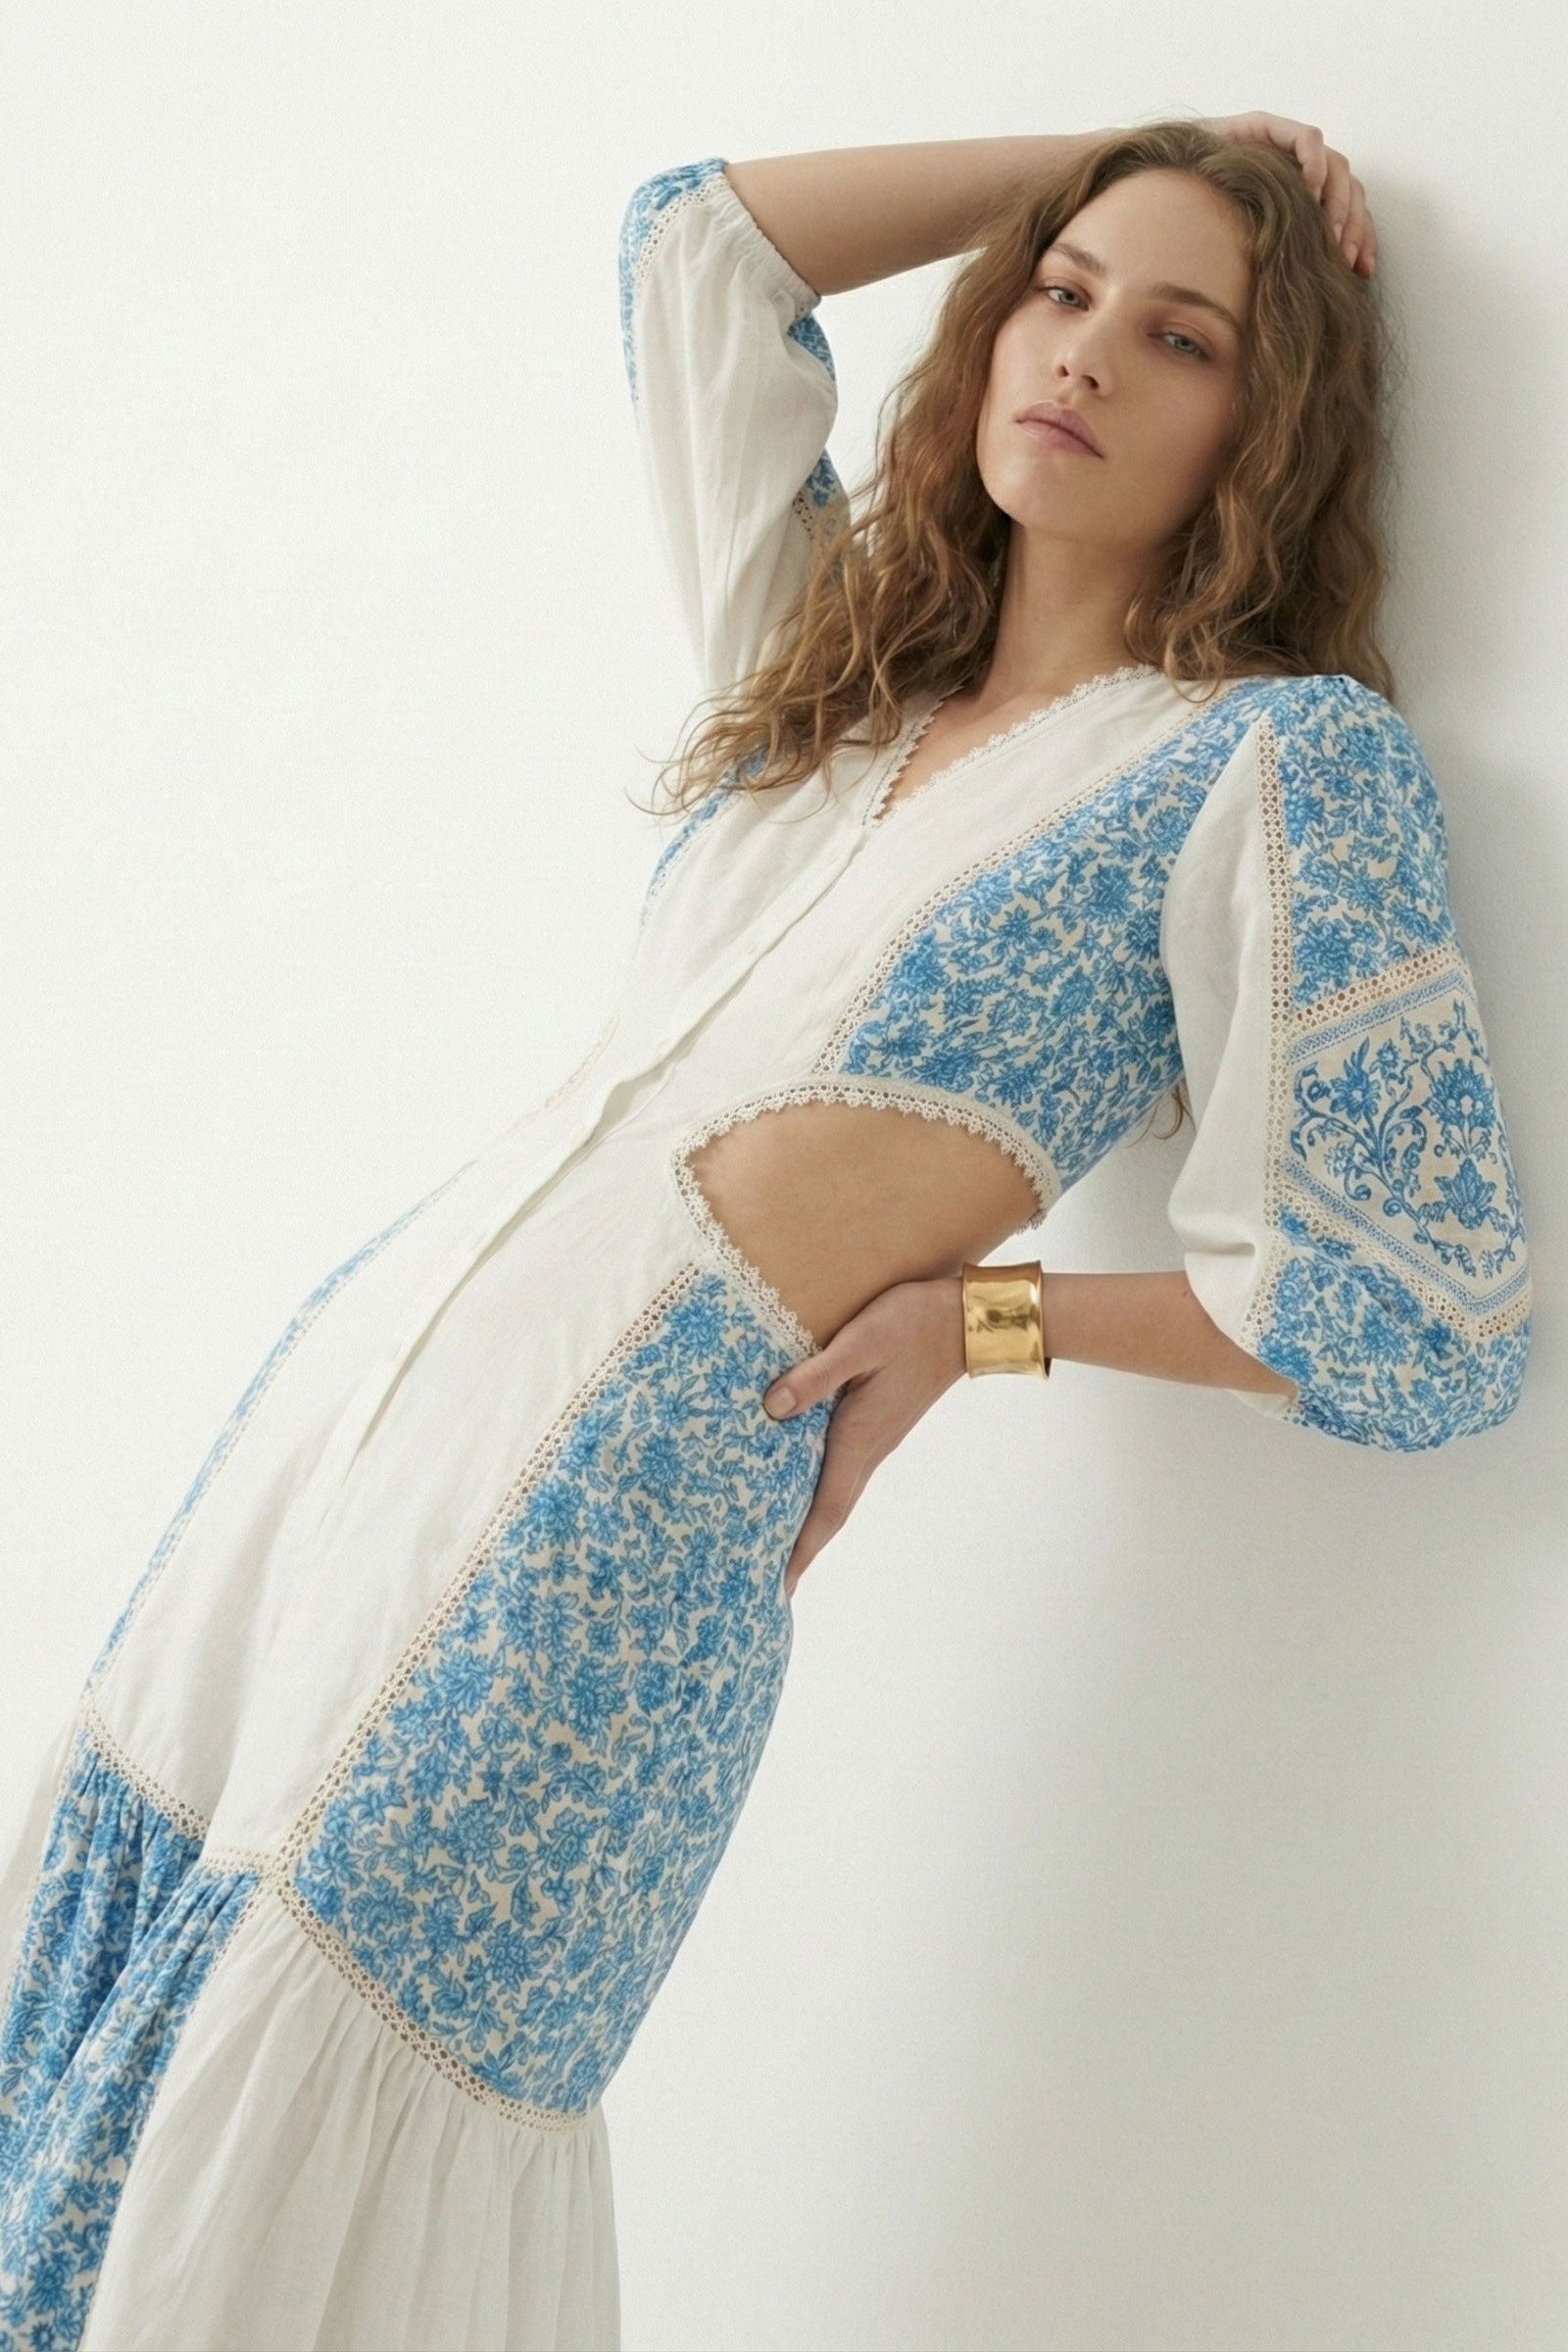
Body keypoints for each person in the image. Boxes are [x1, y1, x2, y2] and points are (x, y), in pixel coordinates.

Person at [0, 111, 1530, 2352]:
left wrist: (987, 1323)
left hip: (613, 1526)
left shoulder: (1261, 765)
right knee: (135, 2004)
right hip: (362, 1419)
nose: (1082, 350)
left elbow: (1423, 1318)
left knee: (335, 2072)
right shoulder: (836, 666)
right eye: (1059, 285)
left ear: (1261, 425)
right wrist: (1093, 146)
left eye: (1177, 333)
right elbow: (694, 248)